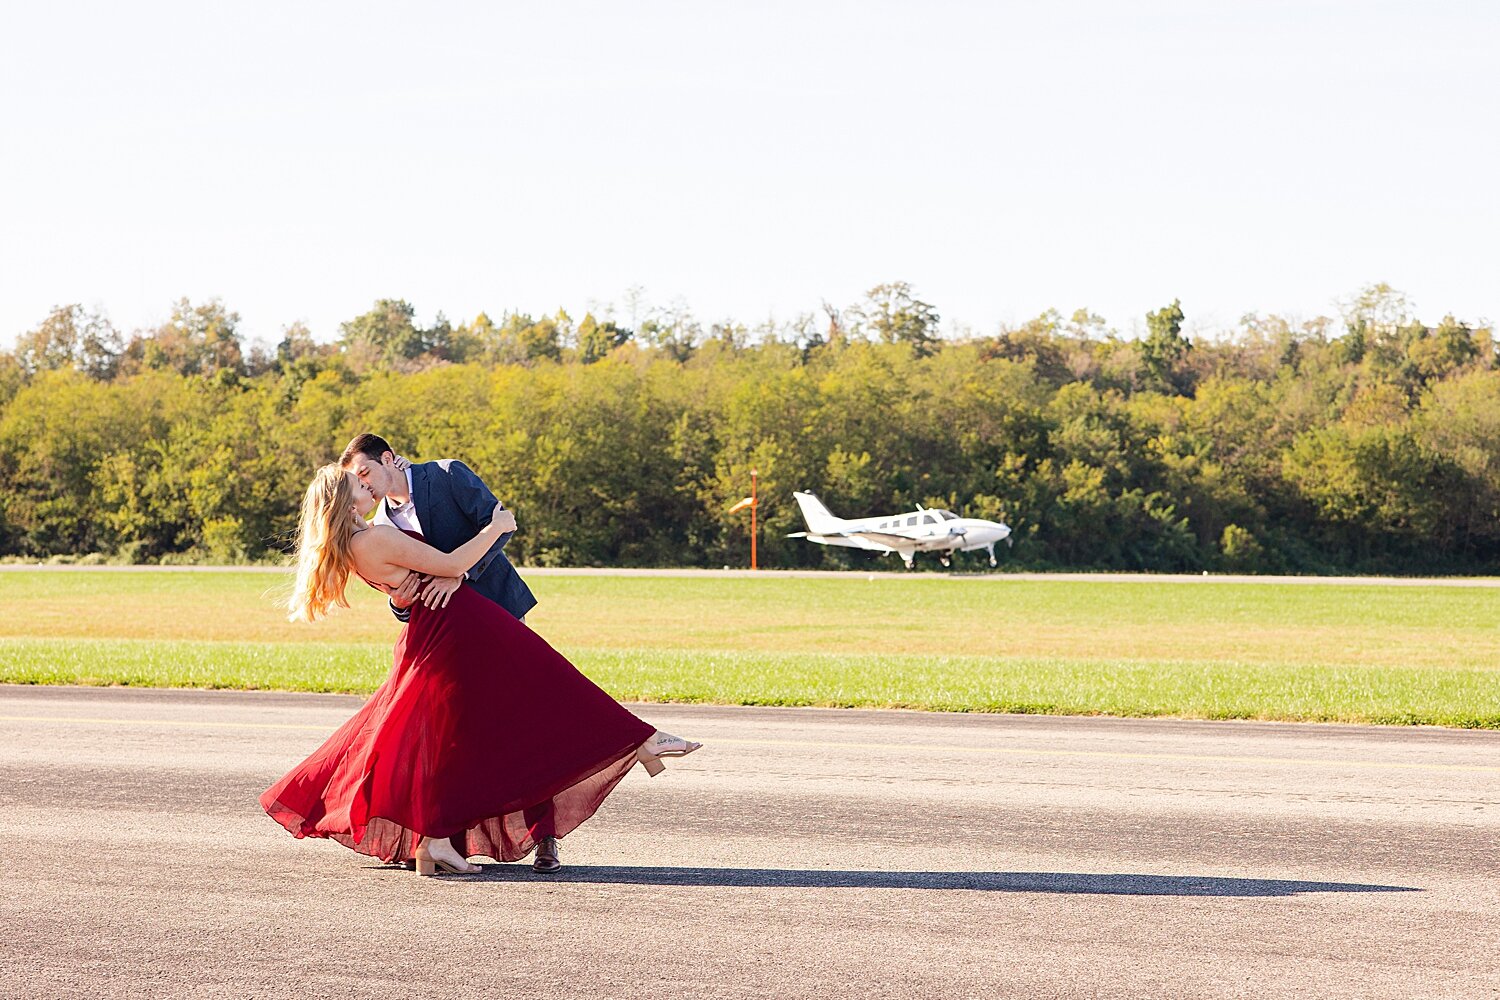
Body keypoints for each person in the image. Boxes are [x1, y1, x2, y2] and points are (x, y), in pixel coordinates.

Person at [260, 464, 701, 877]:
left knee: (443, 733)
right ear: (344, 500)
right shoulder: (374, 539)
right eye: (358, 485)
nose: (368, 488)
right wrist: (496, 528)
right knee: (552, 682)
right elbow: (452, 565)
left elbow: (424, 578)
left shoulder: (355, 548)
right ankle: (640, 740)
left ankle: (434, 840)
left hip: (445, 627)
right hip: (463, 625)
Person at [338, 433, 534, 626]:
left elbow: (500, 524)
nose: (364, 484)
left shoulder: (446, 473)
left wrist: (460, 574)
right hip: (447, 625)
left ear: (387, 458)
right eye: (358, 481)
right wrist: (398, 604)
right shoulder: (380, 525)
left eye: (364, 473)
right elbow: (401, 584)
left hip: (495, 600)